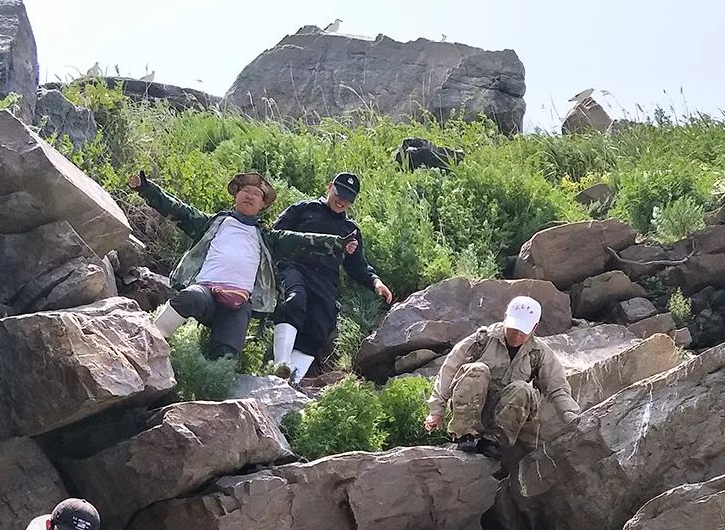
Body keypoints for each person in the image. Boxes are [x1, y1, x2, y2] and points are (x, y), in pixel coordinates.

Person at [128, 169, 345, 362]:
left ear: (263, 205)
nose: (250, 196)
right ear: (236, 195)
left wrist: (338, 243)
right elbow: (178, 209)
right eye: (245, 190)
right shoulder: (213, 223)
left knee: (226, 358)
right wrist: (146, 188)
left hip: (238, 305)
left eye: (257, 194)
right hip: (206, 294)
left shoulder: (267, 239)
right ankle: (148, 343)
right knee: (189, 297)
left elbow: (302, 240)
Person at [270, 173, 394, 383]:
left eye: (348, 198)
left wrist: (376, 282)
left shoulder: (351, 230)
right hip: (294, 267)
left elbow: (357, 265)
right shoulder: (303, 209)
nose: (342, 201)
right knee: (294, 300)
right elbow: (275, 236)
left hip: (325, 280)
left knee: (321, 323)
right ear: (329, 187)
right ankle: (279, 366)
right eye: (339, 194)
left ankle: (292, 380)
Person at [424, 295, 580, 454]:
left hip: (506, 413)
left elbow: (557, 388)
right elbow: (449, 370)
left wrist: (571, 415)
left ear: (534, 328)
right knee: (477, 370)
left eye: (523, 330)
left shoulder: (540, 353)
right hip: (472, 406)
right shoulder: (482, 340)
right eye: (513, 328)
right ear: (505, 318)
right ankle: (465, 436)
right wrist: (436, 411)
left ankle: (492, 441)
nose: (517, 335)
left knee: (523, 388)